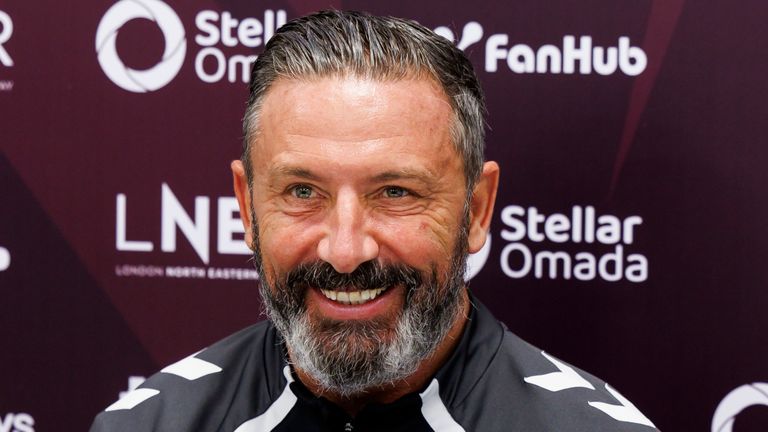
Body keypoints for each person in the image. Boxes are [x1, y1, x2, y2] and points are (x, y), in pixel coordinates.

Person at [91, 10, 657, 431]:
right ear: (246, 206)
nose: (345, 250)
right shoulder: (149, 423)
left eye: (394, 192)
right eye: (303, 191)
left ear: (477, 209)